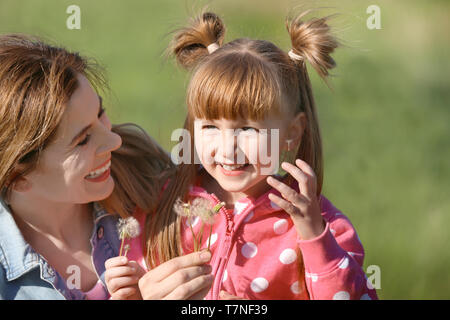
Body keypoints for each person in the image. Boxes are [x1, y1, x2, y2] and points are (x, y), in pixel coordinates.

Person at [105, 11, 378, 300]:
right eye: (210, 126)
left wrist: (313, 237)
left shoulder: (321, 225)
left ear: (292, 132)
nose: (227, 148)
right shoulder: (164, 207)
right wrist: (131, 293)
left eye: (247, 129)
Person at [0, 34, 212, 300]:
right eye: (83, 140)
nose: (114, 140)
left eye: (100, 113)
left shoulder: (141, 166)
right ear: (18, 177)